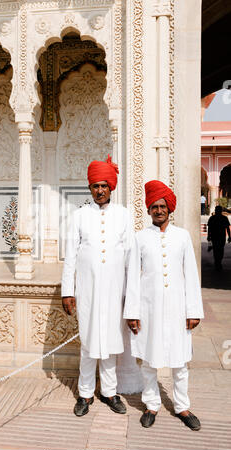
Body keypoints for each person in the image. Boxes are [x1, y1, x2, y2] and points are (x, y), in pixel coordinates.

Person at [61, 155, 139, 417]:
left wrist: (131, 298)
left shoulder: (124, 215)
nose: (100, 190)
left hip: (115, 293)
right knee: (88, 344)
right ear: (90, 188)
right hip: (87, 293)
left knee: (111, 343)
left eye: (104, 185)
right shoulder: (79, 215)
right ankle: (84, 394)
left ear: (111, 187)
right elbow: (70, 256)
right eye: (95, 186)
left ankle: (109, 392)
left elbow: (130, 257)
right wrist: (67, 292)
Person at [124, 180, 204, 431]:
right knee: (149, 361)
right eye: (154, 206)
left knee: (180, 362)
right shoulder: (140, 238)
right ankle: (151, 405)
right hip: (149, 310)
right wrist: (132, 313)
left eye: (162, 206)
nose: (159, 210)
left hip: (178, 310)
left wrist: (193, 311)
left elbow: (191, 274)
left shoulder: (182, 236)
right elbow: (133, 279)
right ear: (148, 210)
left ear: (170, 208)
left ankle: (182, 406)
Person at [207, 205, 231, 271]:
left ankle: (218, 262)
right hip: (218, 236)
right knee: (218, 250)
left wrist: (229, 236)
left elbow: (227, 228)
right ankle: (218, 262)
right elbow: (209, 228)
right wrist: (229, 236)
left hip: (219, 236)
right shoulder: (221, 218)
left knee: (218, 250)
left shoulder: (214, 218)